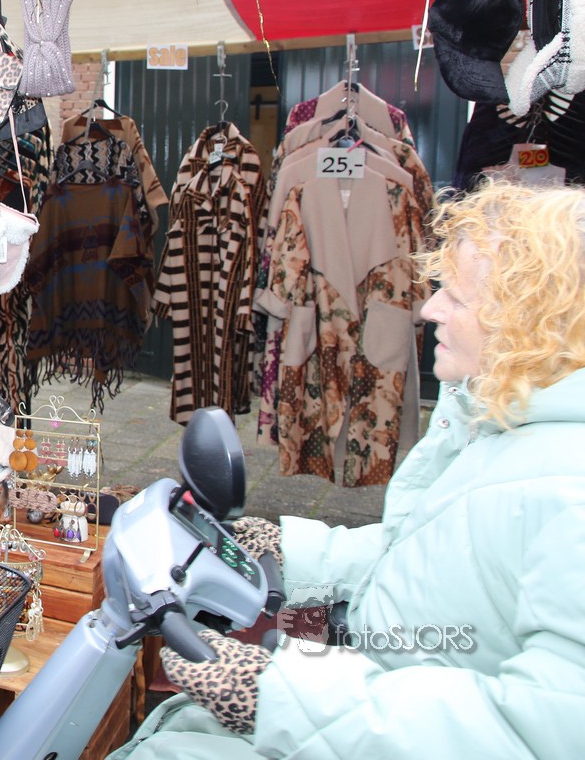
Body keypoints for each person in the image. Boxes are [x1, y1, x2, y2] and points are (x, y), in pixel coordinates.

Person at [111, 179, 585, 759]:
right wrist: (290, 549)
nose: (430, 308)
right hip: (369, 684)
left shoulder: (568, 492)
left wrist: (277, 696)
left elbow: (544, 733)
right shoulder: (498, 426)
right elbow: (419, 558)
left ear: (538, 326)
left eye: (458, 300)